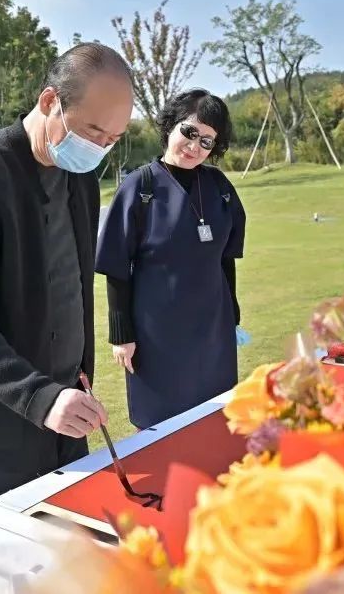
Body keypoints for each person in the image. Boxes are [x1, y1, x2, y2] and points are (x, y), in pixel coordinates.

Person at [0, 43, 132, 511]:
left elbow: (75, 279)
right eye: (92, 131)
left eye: (113, 139)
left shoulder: (79, 175)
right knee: (12, 562)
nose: (99, 148)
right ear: (49, 102)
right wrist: (39, 397)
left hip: (66, 406)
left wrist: (78, 370)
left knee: (71, 545)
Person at [95, 88, 246, 430]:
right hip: (156, 332)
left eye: (207, 141)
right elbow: (117, 266)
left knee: (215, 418)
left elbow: (225, 258)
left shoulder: (219, 187)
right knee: (161, 425)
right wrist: (121, 333)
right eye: (190, 132)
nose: (195, 147)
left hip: (213, 327)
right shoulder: (140, 187)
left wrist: (232, 315)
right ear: (170, 127)